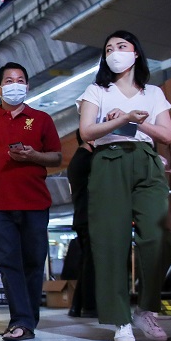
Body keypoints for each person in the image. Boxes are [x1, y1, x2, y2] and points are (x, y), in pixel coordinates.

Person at [78, 31, 171, 341]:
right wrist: (119, 122)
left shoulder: (154, 93)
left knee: (157, 237)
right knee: (109, 242)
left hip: (146, 159)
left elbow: (166, 135)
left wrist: (133, 121)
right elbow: (87, 132)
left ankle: (147, 310)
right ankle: (120, 318)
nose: (115, 53)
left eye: (122, 47)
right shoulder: (96, 90)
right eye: (108, 49)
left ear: (136, 53)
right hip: (109, 161)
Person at [0, 62, 61, 340]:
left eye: (20, 80)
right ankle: (21, 320)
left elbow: (56, 157)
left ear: (27, 86)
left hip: (35, 203)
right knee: (8, 263)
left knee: (34, 262)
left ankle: (26, 319)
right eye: (9, 81)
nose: (15, 85)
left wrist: (34, 155)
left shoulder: (42, 119)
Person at [67, 130, 97, 318]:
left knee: (87, 262)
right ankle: (89, 305)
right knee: (91, 263)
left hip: (82, 216)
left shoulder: (78, 158)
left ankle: (77, 306)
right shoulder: (87, 159)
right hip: (88, 217)